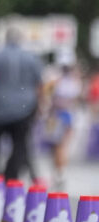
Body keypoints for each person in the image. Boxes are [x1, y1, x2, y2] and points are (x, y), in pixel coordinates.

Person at [0, 27, 43, 182]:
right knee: (20, 145)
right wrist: (40, 105)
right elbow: (40, 84)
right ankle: (10, 175)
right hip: (25, 108)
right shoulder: (31, 57)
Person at [42, 49, 82, 190]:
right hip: (53, 116)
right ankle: (58, 172)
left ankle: (60, 174)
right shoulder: (53, 76)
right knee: (54, 147)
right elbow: (47, 94)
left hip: (66, 116)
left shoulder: (74, 78)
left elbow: (75, 97)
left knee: (62, 145)